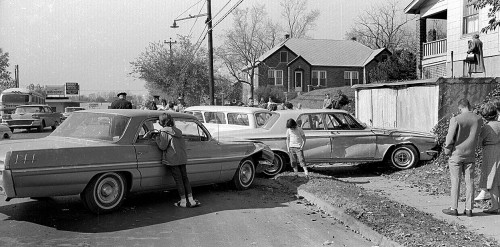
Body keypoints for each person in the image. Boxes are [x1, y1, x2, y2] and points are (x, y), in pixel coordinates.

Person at [147, 113, 200, 208]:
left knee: (178, 180)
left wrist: (156, 138)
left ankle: (183, 201)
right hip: (182, 158)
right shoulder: (178, 131)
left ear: (161, 122)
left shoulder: (164, 132)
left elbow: (162, 146)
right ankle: (191, 200)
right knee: (185, 178)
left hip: (173, 159)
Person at [442, 99, 483, 217]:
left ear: (460, 108)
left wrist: (447, 150)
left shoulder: (456, 119)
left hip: (456, 154)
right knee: (470, 181)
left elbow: (450, 138)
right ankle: (469, 209)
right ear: (469, 106)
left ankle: (454, 208)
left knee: (456, 180)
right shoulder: (478, 119)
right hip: (470, 154)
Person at [478, 103, 500, 214]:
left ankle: (495, 206)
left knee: (492, 180)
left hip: (491, 152)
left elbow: (479, 142)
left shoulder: (487, 127)